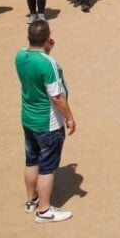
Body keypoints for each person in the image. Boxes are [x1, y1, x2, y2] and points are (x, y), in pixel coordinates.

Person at [15, 20, 75, 223]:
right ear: (48, 38)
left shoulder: (20, 55)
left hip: (28, 118)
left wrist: (45, 49)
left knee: (31, 160)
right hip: (48, 123)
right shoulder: (48, 63)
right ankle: (44, 211)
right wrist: (69, 118)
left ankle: (31, 200)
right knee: (47, 167)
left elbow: (36, 69)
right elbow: (56, 96)